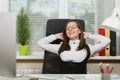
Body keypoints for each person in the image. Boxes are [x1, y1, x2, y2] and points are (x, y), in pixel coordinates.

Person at [37, 20, 111, 74]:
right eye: (67, 28)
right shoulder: (60, 47)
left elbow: (107, 41)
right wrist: (56, 36)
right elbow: (40, 43)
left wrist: (89, 35)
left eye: (73, 27)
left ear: (79, 31)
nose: (70, 29)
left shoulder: (89, 48)